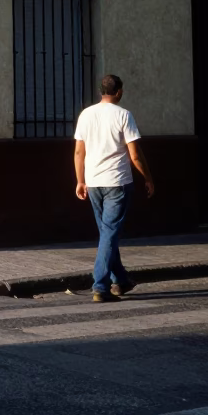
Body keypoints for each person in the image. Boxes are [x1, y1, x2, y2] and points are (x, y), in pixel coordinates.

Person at [73, 74, 155, 302]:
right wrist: (148, 177)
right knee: (109, 234)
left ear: (101, 91)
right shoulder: (123, 115)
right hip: (117, 182)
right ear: (118, 92)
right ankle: (100, 285)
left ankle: (120, 280)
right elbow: (135, 155)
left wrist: (80, 180)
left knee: (107, 233)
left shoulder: (86, 115)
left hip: (94, 181)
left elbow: (79, 152)